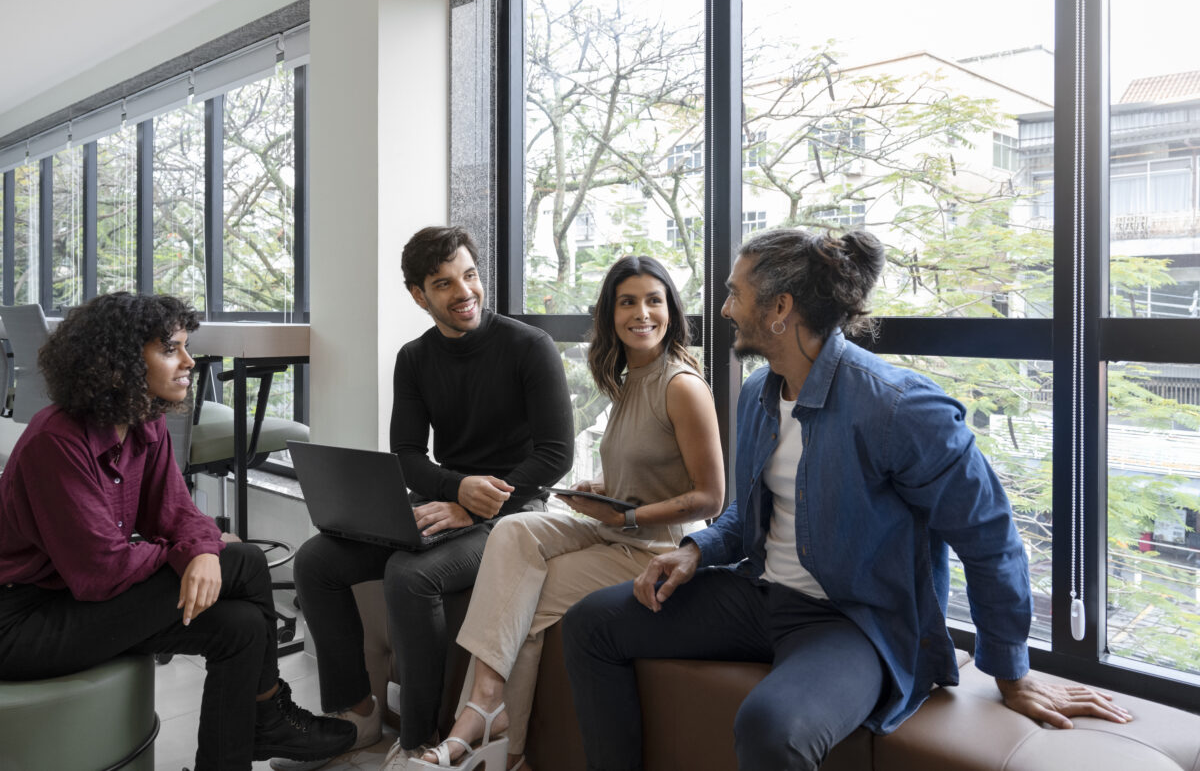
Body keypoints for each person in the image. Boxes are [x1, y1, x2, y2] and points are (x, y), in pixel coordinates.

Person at [562, 229, 1132, 771]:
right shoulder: (760, 392)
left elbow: (991, 538)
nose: (726, 309)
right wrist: (695, 549)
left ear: (780, 309)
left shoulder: (898, 407)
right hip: (761, 596)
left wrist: (1012, 672)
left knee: (771, 726)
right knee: (592, 623)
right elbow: (751, 511)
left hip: (853, 623)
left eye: (735, 294)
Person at [0, 292, 356, 771]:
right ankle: (268, 715)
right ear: (118, 362)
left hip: (75, 601)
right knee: (245, 560)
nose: (190, 361)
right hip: (22, 623)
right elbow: (100, 572)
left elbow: (178, 514)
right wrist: (189, 551)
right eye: (170, 349)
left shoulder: (143, 425)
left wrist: (201, 548)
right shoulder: (55, 442)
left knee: (243, 627)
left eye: (186, 347)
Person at [412, 255, 723, 771]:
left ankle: (495, 739)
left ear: (671, 310)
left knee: (521, 598)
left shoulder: (681, 385)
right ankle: (489, 719)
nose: (641, 313)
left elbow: (710, 498)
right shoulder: (629, 381)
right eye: (628, 302)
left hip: (660, 550)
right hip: (616, 527)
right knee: (513, 531)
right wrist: (603, 491)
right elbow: (654, 473)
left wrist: (622, 516)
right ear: (610, 313)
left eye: (654, 300)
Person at [280, 226, 574, 771]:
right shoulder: (414, 359)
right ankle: (356, 713)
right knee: (317, 560)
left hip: (516, 513)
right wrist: (455, 490)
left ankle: (419, 739)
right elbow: (408, 453)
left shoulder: (529, 347)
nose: (464, 292)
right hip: (447, 501)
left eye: (469, 275)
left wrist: (477, 501)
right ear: (419, 295)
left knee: (411, 576)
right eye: (444, 283)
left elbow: (556, 457)